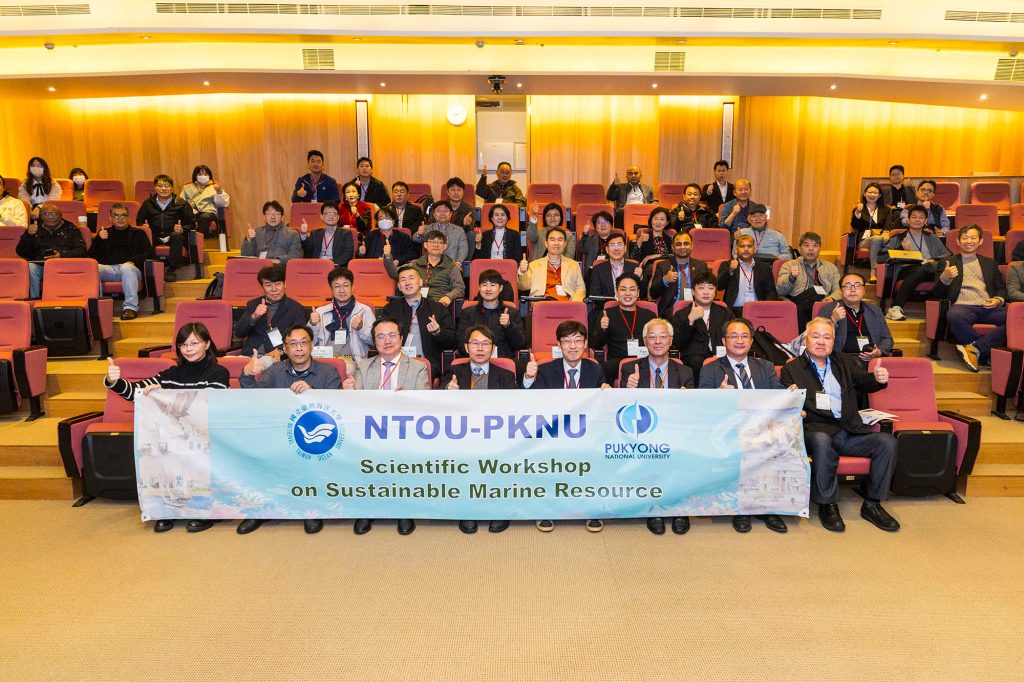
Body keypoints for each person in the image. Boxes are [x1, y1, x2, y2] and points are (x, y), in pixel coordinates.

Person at [104, 322, 229, 533]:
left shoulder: (219, 372)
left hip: (206, 437)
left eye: (194, 343)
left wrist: (165, 391)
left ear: (207, 344)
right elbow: (135, 393)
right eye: (183, 345)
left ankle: (203, 512)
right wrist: (114, 381)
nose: (188, 349)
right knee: (164, 460)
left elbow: (205, 400)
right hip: (174, 439)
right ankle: (166, 510)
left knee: (197, 466)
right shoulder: (172, 373)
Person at [780, 317, 900, 533]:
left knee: (886, 442)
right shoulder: (793, 369)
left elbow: (864, 380)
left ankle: (872, 504)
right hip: (816, 430)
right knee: (821, 439)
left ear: (833, 341)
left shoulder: (843, 361)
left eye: (827, 337)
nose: (821, 341)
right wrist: (792, 403)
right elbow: (786, 403)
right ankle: (827, 504)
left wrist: (877, 379)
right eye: (815, 336)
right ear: (806, 340)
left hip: (849, 430)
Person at [238, 324, 341, 536]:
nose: (299, 348)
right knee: (256, 449)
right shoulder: (274, 371)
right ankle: (260, 510)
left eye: (303, 343)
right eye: (293, 344)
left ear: (312, 345)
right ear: (285, 348)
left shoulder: (328, 372)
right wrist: (247, 375)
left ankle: (310, 509)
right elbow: (255, 399)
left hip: (314, 440)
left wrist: (314, 393)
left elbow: (338, 409)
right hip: (278, 436)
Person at [698, 317, 790, 534]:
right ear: (724, 341)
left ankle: (768, 507)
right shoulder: (710, 369)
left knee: (778, 441)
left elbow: (778, 395)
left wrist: (790, 395)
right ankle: (741, 508)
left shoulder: (765, 366)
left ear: (751, 341)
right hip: (728, 428)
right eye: (734, 336)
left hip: (762, 427)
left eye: (744, 336)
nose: (739, 341)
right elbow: (702, 406)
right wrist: (718, 395)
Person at [345, 317, 429, 536]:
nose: (387, 341)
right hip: (372, 429)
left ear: (401, 338)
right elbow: (357, 405)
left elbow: (425, 404)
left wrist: (408, 400)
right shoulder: (363, 367)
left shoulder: (418, 367)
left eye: (392, 335)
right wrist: (348, 393)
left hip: (406, 430)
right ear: (374, 342)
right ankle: (368, 508)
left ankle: (404, 509)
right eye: (380, 337)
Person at [522, 320, 608, 533]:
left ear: (585, 344)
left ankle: (591, 509)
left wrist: (607, 392)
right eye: (567, 341)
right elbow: (530, 404)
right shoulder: (546, 369)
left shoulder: (595, 369)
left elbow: (601, 409)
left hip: (586, 433)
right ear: (559, 345)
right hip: (553, 433)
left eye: (578, 340)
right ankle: (546, 509)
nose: (573, 346)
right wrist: (528, 378)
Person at [619, 317, 693, 536]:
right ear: (645, 341)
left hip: (674, 429)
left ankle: (680, 509)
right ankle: (654, 509)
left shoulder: (685, 372)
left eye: (663, 336)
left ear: (671, 340)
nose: (658, 341)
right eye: (652, 337)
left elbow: (692, 411)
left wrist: (686, 400)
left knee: (682, 451)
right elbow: (621, 408)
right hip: (643, 430)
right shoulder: (631, 368)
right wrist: (627, 389)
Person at [442, 325, 516, 535]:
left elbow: (515, 407)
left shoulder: (506, 375)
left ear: (493, 348)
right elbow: (438, 400)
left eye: (485, 344)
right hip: (463, 434)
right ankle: (468, 509)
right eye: (475, 343)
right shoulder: (454, 372)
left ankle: (499, 510)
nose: (480, 348)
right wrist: (447, 390)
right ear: (466, 347)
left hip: (496, 435)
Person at [933, 224, 1008, 373]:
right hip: (962, 307)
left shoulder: (990, 263)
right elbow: (937, 293)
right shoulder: (947, 262)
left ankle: (975, 349)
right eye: (965, 238)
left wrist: (998, 300)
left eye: (973, 238)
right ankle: (985, 354)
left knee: (1018, 319)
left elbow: (1001, 288)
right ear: (958, 241)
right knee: (954, 316)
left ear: (980, 241)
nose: (969, 241)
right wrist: (945, 278)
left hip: (988, 307)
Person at [381, 265, 457, 380]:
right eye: (403, 280)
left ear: (420, 282)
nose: (407, 283)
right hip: (396, 362)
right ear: (399, 286)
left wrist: (438, 332)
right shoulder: (390, 309)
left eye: (411, 278)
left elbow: (452, 341)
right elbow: (379, 337)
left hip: (426, 364)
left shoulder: (437, 308)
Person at [880, 204, 950, 321]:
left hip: (932, 269)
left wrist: (934, 260)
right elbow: (881, 256)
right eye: (914, 217)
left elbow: (947, 255)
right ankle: (895, 307)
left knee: (935, 268)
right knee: (920, 269)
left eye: (921, 217)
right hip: (908, 269)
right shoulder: (899, 237)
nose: (917, 220)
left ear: (926, 221)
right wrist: (901, 249)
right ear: (908, 220)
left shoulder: (932, 237)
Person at [589, 272, 657, 383]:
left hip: (644, 360)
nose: (627, 293)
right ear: (616, 292)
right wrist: (603, 328)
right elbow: (596, 344)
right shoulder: (607, 314)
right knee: (604, 369)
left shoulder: (649, 315)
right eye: (623, 289)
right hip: (617, 363)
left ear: (638, 292)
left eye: (632, 289)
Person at [89, 203, 152, 320]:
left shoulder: (139, 233)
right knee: (94, 268)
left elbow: (148, 253)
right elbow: (91, 257)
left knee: (126, 267)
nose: (120, 218)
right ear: (110, 218)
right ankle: (100, 308)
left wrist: (132, 261)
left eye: (123, 215)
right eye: (116, 215)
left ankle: (130, 308)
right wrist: (98, 239)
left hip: (131, 269)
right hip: (108, 269)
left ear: (129, 218)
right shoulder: (104, 233)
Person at [233, 264, 310, 357]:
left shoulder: (295, 308)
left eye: (278, 284)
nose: (274, 289)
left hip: (275, 358)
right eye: (268, 285)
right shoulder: (253, 304)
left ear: (285, 284)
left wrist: (280, 351)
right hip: (249, 355)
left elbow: (299, 338)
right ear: (262, 288)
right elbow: (239, 333)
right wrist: (254, 316)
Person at [816, 273, 894, 363]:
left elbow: (887, 339)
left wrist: (879, 351)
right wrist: (834, 320)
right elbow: (819, 338)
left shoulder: (874, 310)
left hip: (871, 360)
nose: (853, 290)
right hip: (841, 361)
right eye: (847, 286)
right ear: (841, 291)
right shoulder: (828, 309)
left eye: (857, 286)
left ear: (864, 290)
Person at [671, 272, 733, 382]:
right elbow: (678, 343)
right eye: (701, 288)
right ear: (693, 292)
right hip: (694, 362)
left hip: (722, 357)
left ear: (715, 292)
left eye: (710, 288)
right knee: (695, 362)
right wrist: (690, 321)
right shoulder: (682, 314)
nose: (706, 292)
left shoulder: (725, 313)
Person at [16, 202, 87, 298]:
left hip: (66, 265)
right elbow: (21, 252)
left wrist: (61, 255)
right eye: (46, 214)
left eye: (54, 214)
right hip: (42, 266)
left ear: (60, 216)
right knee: (30, 267)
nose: (50, 217)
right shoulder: (34, 229)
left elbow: (82, 250)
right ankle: (34, 299)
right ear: (41, 216)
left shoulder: (71, 228)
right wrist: (28, 235)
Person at [776, 231, 842, 330]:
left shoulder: (831, 267)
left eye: (815, 245)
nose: (811, 249)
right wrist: (791, 278)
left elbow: (839, 290)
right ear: (799, 249)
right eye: (806, 245)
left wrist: (831, 298)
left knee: (817, 295)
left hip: (821, 303)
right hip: (796, 300)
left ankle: (805, 335)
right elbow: (780, 291)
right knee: (814, 293)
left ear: (820, 249)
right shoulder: (789, 265)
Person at [136, 174, 196, 282]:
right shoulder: (147, 204)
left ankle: (171, 270)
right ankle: (150, 270)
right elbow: (139, 221)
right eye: (160, 186)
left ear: (172, 188)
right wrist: (143, 226)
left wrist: (182, 229)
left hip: (173, 237)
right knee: (145, 237)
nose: (163, 188)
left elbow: (192, 224)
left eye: (167, 185)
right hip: (155, 236)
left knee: (176, 236)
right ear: (155, 188)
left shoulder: (182, 204)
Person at [456, 269, 526, 359]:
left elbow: (520, 344)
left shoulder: (512, 312)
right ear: (479, 288)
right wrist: (480, 356)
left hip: (502, 361)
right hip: (475, 360)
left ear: (500, 288)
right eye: (484, 285)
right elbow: (461, 342)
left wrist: (508, 326)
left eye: (492, 285)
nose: (488, 289)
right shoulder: (467, 313)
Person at [309, 266, 376, 358]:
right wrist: (312, 325)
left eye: (345, 285)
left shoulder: (364, 311)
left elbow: (375, 342)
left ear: (352, 288)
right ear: (331, 289)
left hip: (353, 361)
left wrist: (361, 328)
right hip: (325, 359)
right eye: (337, 286)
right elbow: (307, 343)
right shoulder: (320, 312)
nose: (341, 290)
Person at [385, 230, 465, 304]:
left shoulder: (451, 267)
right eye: (432, 242)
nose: (436, 245)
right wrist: (388, 257)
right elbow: (394, 273)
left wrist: (449, 297)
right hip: (417, 304)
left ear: (444, 246)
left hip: (438, 304)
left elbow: (460, 288)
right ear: (425, 245)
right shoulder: (415, 264)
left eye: (440, 242)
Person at [649, 231, 709, 318]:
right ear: (672, 247)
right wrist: (665, 280)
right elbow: (653, 293)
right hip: (672, 311)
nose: (682, 247)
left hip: (696, 308)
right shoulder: (663, 266)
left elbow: (711, 290)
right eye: (678, 244)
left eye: (686, 244)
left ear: (692, 245)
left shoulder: (701, 266)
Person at [517, 227, 586, 302]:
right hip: (542, 305)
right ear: (546, 244)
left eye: (560, 240)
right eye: (552, 240)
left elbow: (581, 289)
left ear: (565, 244)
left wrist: (574, 303)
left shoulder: (574, 265)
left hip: (567, 305)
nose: (556, 243)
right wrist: (522, 272)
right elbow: (523, 286)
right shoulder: (534, 265)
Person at [717, 234, 778, 317]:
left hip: (758, 310)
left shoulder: (764, 267)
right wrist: (730, 271)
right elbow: (719, 286)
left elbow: (771, 291)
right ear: (737, 249)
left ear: (754, 249)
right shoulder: (727, 265)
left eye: (749, 246)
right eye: (742, 246)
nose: (746, 249)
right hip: (733, 312)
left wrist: (766, 308)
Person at [849, 182, 894, 278]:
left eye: (875, 193)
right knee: (877, 239)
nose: (872, 195)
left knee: (885, 240)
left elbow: (888, 225)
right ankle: (874, 271)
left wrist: (886, 232)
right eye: (870, 192)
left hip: (882, 237)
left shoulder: (886, 209)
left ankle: (888, 270)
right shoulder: (859, 208)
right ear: (865, 194)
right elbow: (855, 225)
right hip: (864, 240)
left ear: (879, 195)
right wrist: (858, 213)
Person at [241, 200, 301, 266]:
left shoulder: (292, 234)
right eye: (269, 213)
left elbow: (296, 255)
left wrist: (278, 260)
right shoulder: (257, 232)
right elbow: (246, 256)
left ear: (282, 217)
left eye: (276, 214)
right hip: (259, 267)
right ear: (264, 217)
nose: (273, 217)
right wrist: (249, 239)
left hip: (280, 267)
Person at [299, 200, 354, 267]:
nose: (331, 216)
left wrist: (333, 265)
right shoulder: (315, 233)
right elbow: (307, 249)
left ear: (338, 217)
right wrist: (304, 234)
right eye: (327, 213)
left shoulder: (346, 234)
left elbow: (348, 253)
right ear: (322, 217)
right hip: (317, 266)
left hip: (336, 267)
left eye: (334, 214)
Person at [180, 164, 230, 237]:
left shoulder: (214, 187)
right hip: (192, 214)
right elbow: (181, 202)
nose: (203, 176)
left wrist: (219, 191)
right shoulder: (186, 187)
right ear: (195, 176)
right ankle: (189, 239)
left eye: (205, 174)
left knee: (205, 217)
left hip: (208, 214)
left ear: (209, 176)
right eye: (200, 174)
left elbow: (223, 204)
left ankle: (198, 239)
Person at [587, 232, 640, 299]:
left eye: (619, 245)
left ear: (625, 248)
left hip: (629, 304)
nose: (616, 249)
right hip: (606, 305)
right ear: (607, 249)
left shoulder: (634, 267)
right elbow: (595, 296)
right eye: (612, 245)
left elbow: (642, 295)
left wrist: (640, 278)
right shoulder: (597, 269)